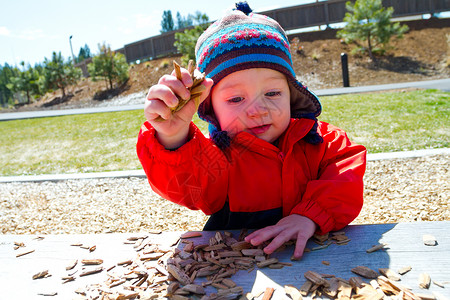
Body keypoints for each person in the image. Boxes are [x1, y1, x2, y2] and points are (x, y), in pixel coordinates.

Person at [137, 2, 366, 259]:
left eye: (272, 93)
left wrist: (309, 215)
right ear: (210, 106)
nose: (258, 110)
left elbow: (345, 178)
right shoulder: (216, 157)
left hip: (315, 258)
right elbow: (189, 188)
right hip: (233, 266)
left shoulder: (322, 141)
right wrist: (172, 137)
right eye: (236, 99)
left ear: (291, 94)